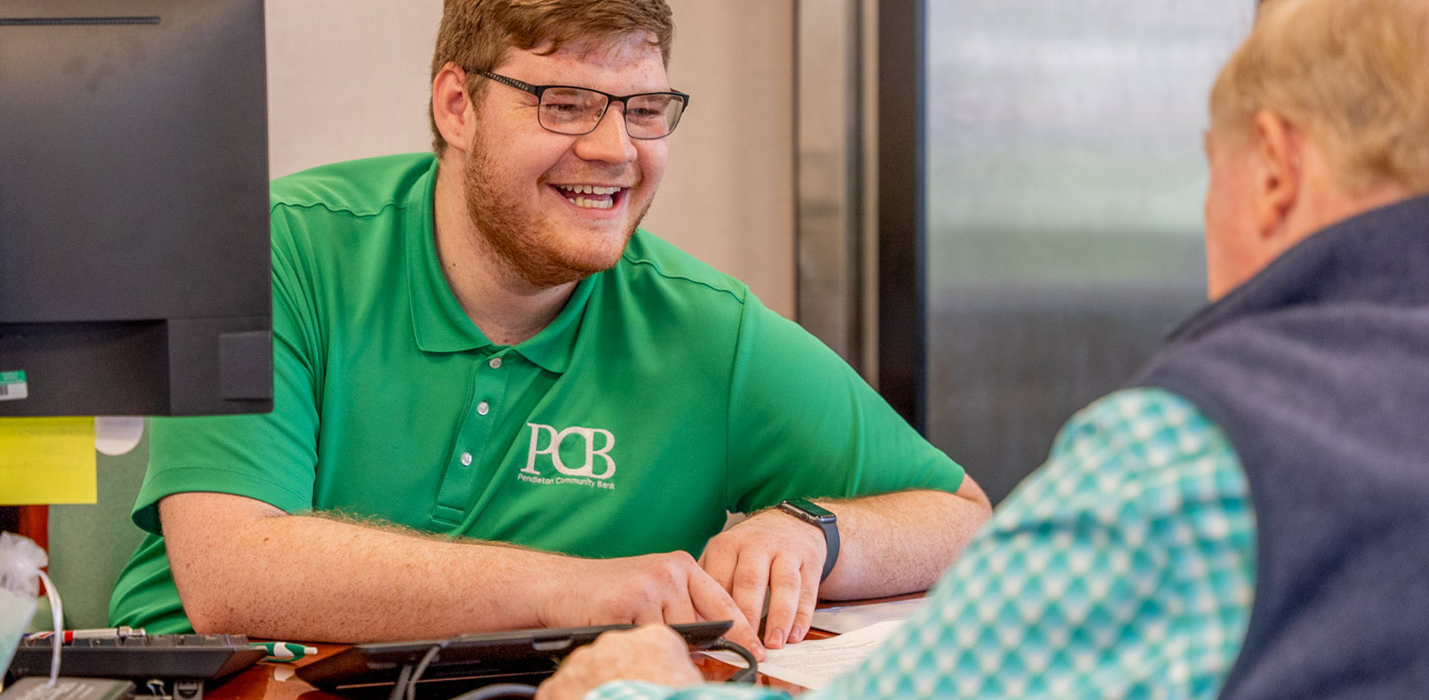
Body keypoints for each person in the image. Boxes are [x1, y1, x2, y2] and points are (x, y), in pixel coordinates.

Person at [536, 0, 1429, 697]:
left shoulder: (1196, 462)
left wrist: (626, 689)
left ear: (1273, 170)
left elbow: (960, 525)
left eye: (1210, 167)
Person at [107, 0, 991, 656]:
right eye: (564, 103)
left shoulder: (705, 329)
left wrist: (814, 531)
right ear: (457, 107)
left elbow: (963, 520)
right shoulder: (282, 248)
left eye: (644, 111)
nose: (615, 151)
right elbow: (233, 572)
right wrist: (580, 590)